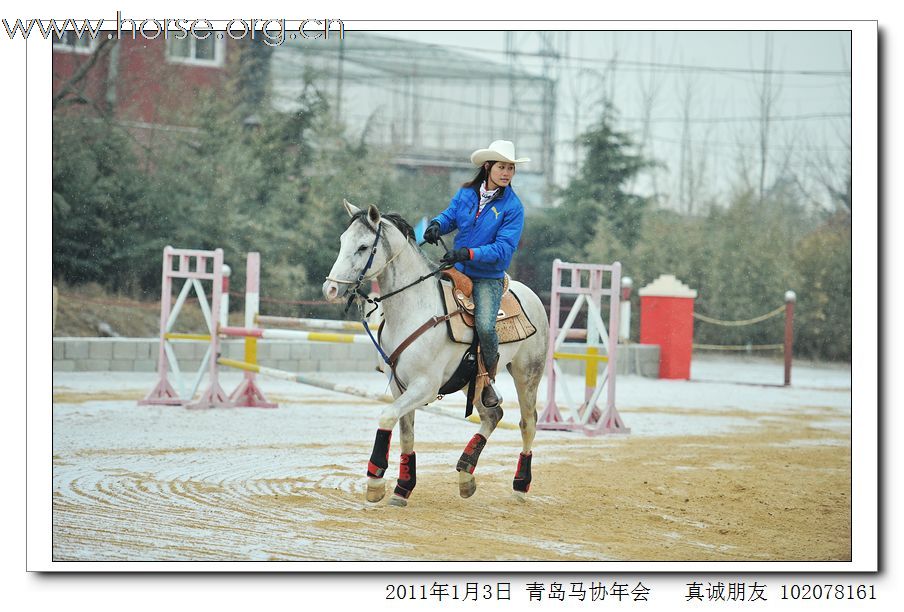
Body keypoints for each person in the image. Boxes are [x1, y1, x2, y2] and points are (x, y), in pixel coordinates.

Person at [423, 140, 530, 408]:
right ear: (488, 167)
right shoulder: (466, 194)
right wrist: (437, 224)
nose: (507, 173)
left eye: (511, 168)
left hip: (487, 278)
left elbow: (503, 250)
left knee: (484, 325)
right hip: (456, 269)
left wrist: (468, 253)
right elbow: (450, 216)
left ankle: (488, 380)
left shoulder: (513, 208)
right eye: (502, 167)